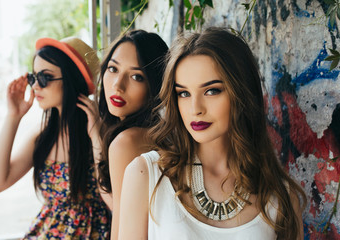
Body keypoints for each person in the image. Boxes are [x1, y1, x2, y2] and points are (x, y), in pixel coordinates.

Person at [118, 27, 307, 240]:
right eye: (184, 93)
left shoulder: (280, 196)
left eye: (211, 91)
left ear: (241, 93)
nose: (195, 108)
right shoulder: (146, 175)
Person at [0, 37, 111, 239]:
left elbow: (115, 202)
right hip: (47, 231)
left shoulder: (103, 131)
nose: (35, 86)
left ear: (71, 78)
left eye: (45, 78)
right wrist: (13, 117)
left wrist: (96, 137)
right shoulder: (44, 133)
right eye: (34, 78)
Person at [88, 29, 168, 239]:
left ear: (156, 84)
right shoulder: (158, 132)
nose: (117, 85)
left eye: (136, 76)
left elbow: (121, 230)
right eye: (113, 69)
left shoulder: (127, 142)